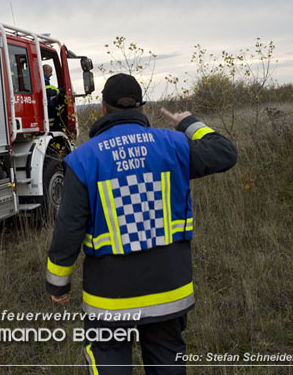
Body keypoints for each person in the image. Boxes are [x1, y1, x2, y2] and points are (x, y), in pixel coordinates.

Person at [45, 73, 237, 374]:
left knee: (108, 360)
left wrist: (57, 283)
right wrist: (189, 123)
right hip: (169, 292)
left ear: (103, 109)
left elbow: (69, 229)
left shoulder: (83, 159)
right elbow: (225, 153)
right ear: (142, 109)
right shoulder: (174, 144)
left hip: (109, 300)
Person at [43, 64, 63, 130]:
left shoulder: (44, 79)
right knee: (53, 107)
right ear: (44, 71)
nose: (51, 74)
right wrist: (58, 91)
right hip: (45, 104)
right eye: (50, 72)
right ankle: (52, 127)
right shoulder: (44, 80)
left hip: (45, 103)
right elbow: (49, 92)